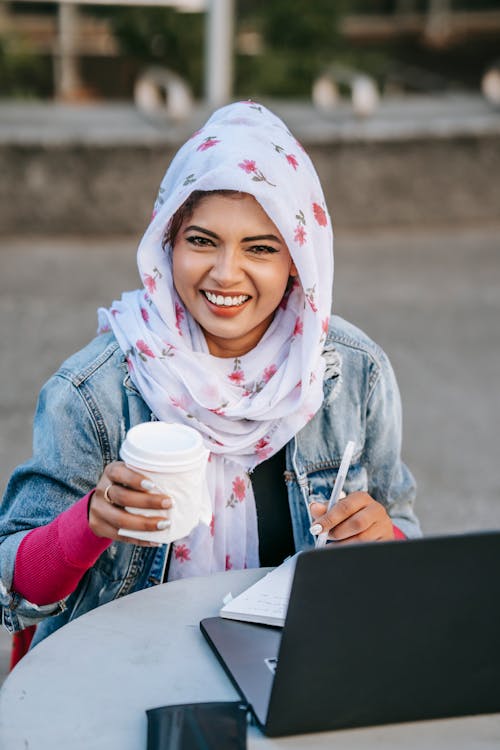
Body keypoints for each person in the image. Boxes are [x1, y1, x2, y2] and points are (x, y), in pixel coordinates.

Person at [0, 101, 420, 656]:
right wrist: (90, 522)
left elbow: (407, 549)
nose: (226, 273)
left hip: (295, 664)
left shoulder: (352, 373)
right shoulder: (92, 391)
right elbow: (17, 591)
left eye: (261, 249)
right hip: (121, 668)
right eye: (201, 241)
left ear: (299, 260)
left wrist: (381, 538)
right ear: (166, 241)